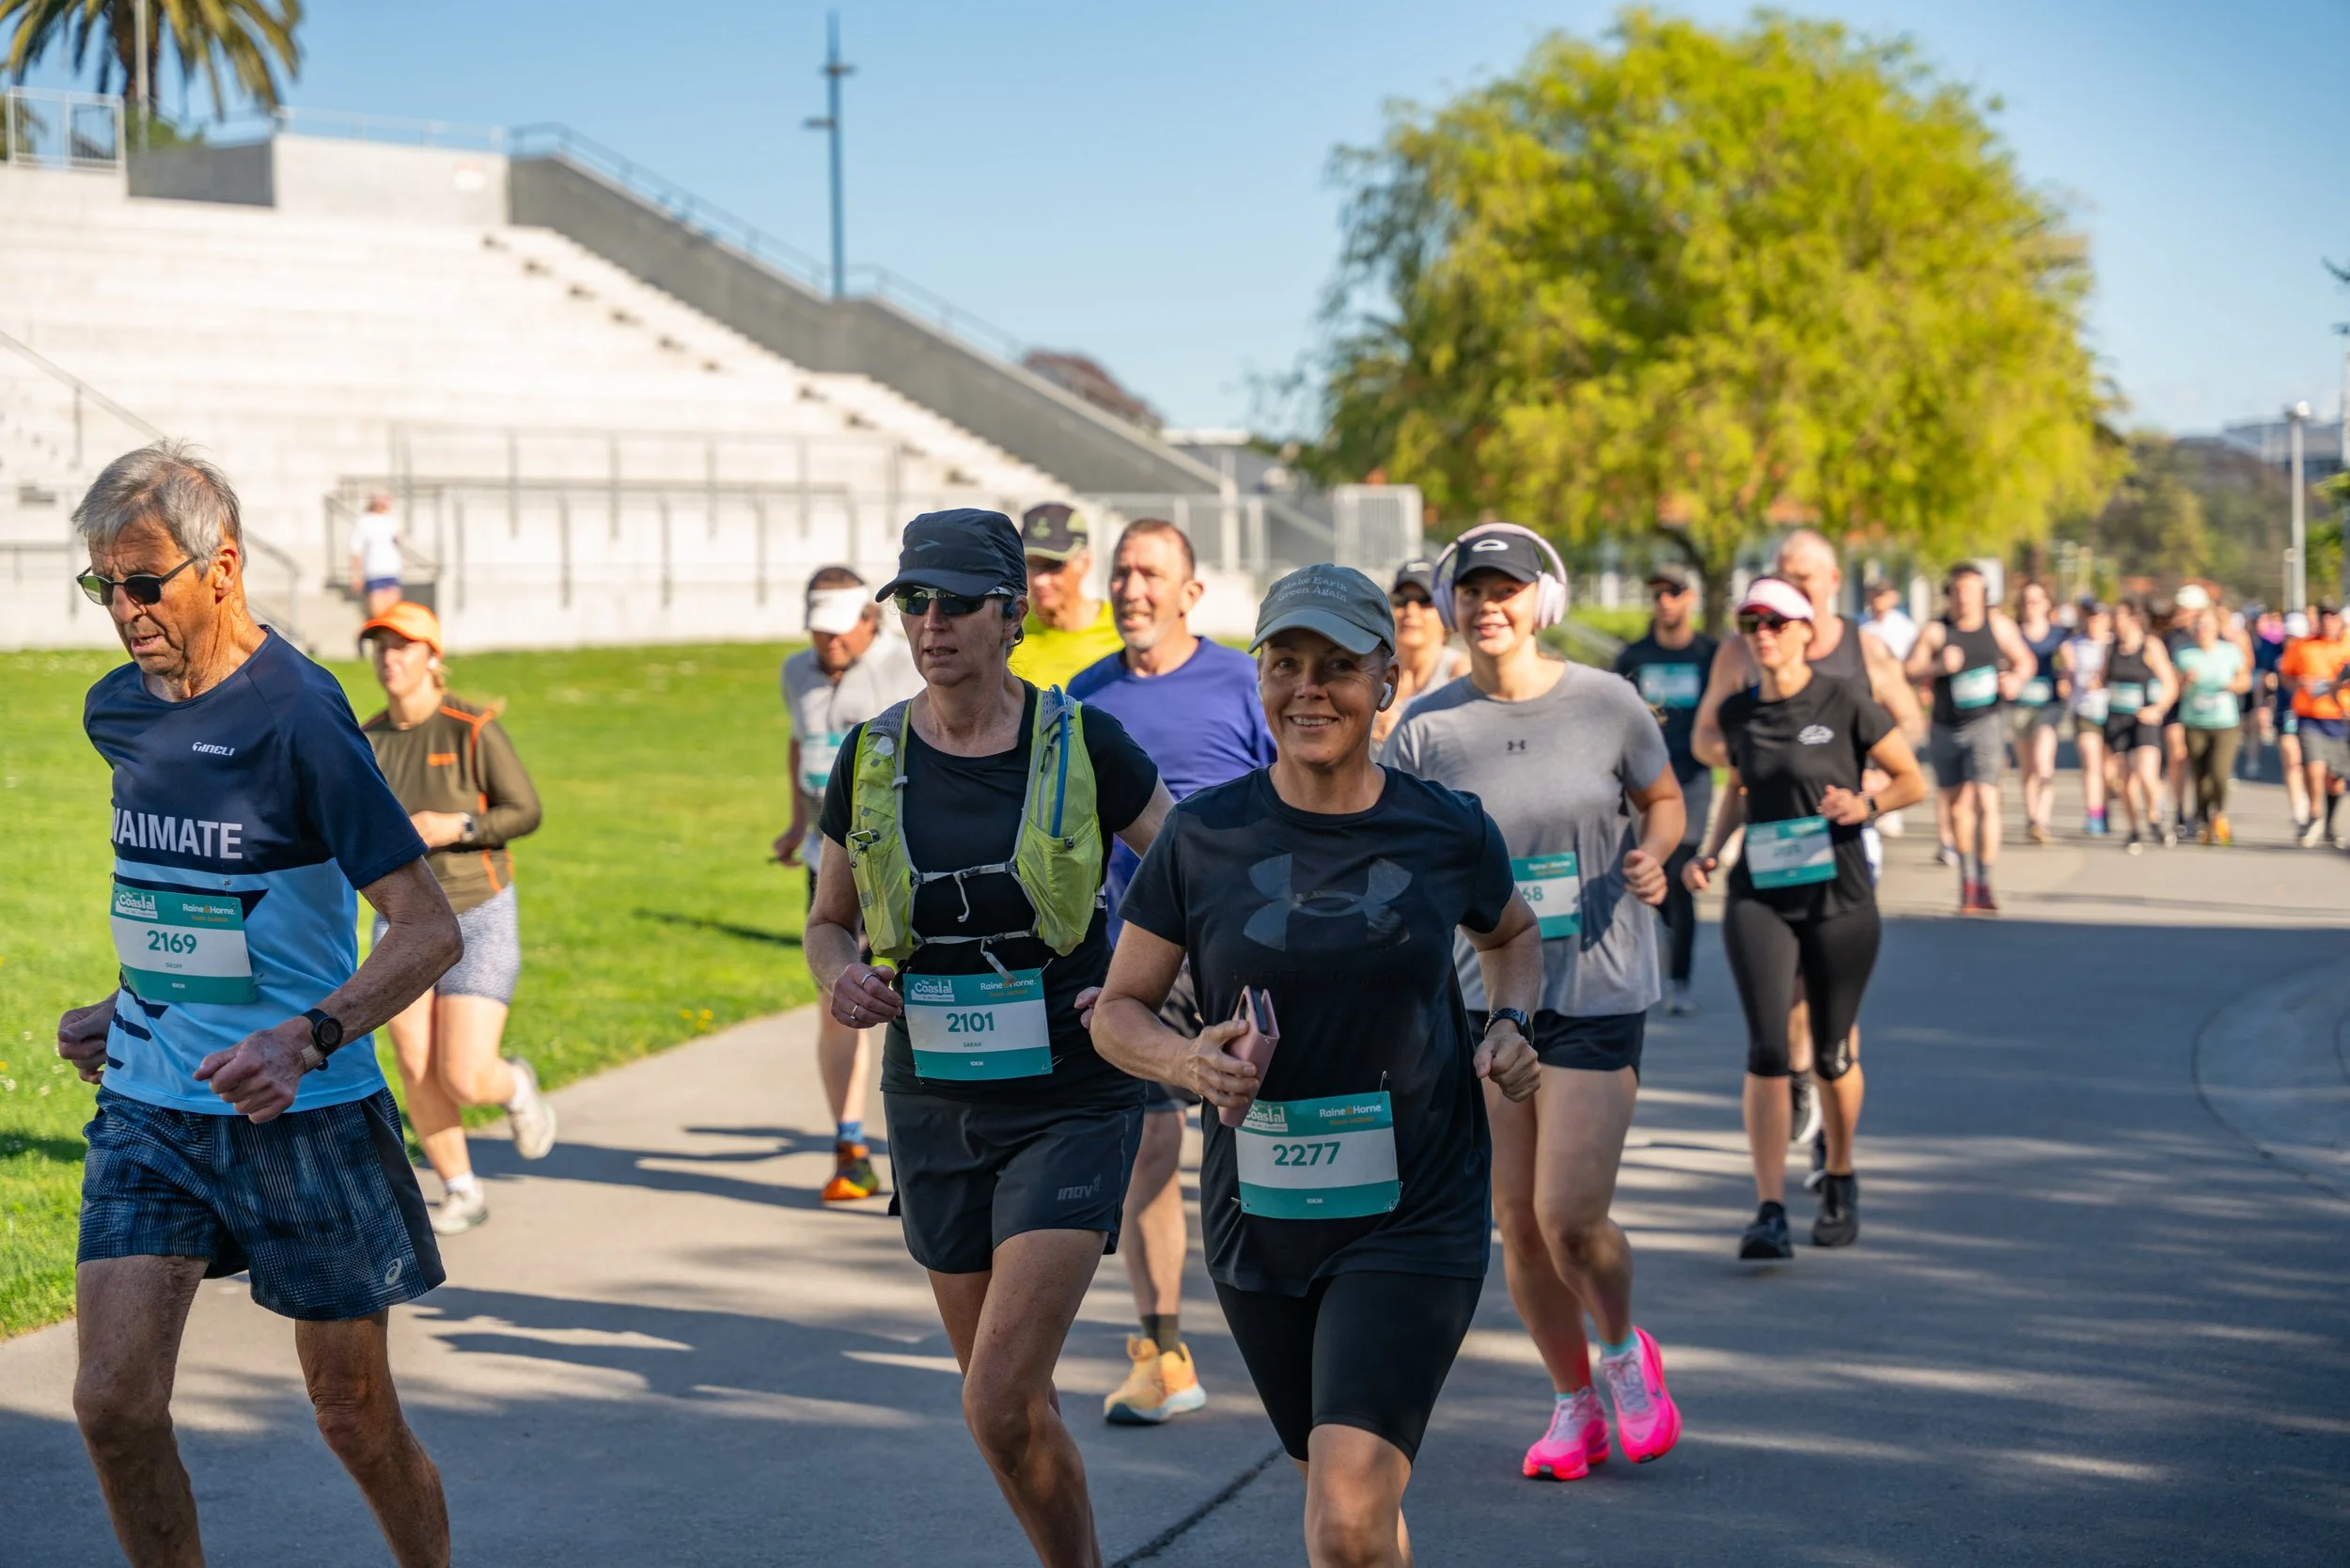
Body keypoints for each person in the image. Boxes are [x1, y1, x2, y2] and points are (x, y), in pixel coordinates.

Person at [55, 443, 461, 1567]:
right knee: (112, 1405)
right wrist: (126, 998)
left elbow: (428, 927)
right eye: (105, 586)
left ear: (221, 566)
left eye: (146, 583)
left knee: (352, 1417)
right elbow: (194, 894)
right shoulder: (117, 713)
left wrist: (307, 1034)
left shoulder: (301, 717)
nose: (125, 612)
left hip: (306, 1113)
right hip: (151, 1100)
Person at [1094, 563, 1546, 1568]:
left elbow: (1512, 935)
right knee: (1352, 1509)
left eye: (1338, 667)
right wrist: (1189, 1065)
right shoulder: (1204, 835)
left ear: (1386, 679)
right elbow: (1116, 1013)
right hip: (1260, 1222)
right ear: (1258, 677)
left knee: (1341, 1514)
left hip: (1414, 1214)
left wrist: (1512, 1023)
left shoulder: (1443, 830)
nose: (1309, 689)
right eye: (1285, 664)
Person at [804, 508, 1172, 1566]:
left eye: (956, 601)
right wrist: (841, 981)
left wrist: (1145, 990)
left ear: (1010, 613)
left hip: (1069, 1096)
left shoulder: (1082, 740)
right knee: (1006, 1414)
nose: (930, 623)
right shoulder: (868, 756)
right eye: (913, 601)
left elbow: (1188, 870)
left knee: (999, 1394)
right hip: (934, 1102)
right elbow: (827, 923)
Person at [1386, 525, 1687, 1482]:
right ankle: (1571, 1405)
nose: (1488, 606)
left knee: (1568, 1217)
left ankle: (1622, 1349)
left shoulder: (1607, 702)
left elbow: (1665, 796)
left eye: (1505, 588)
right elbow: (1391, 849)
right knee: (1513, 1220)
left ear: (1539, 598)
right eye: (1470, 590)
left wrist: (1654, 853)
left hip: (1596, 987)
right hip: (1485, 1002)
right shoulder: (1428, 729)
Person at [1067, 517, 1277, 1425]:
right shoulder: (1084, 698)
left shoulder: (1245, 684)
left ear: (1192, 592)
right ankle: (1164, 1354)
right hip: (1142, 955)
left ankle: (1318, 1320)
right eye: (1120, 572)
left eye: (1151, 573)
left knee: (1260, 1140)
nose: (1131, 589)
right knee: (1151, 1146)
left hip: (1252, 951)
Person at [1684, 577, 1925, 1258]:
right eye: (1751, 622)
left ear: (1805, 630)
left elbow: (1912, 778)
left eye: (1776, 622)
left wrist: (1867, 806)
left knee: (1830, 1050)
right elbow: (1739, 788)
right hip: (1760, 893)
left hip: (1839, 897)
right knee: (1766, 1050)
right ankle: (1768, 1209)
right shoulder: (1737, 712)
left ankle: (1840, 1174)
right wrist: (1709, 852)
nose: (1763, 634)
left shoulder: (1844, 700)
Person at [360, 601, 556, 1235]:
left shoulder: (469, 727)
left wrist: (458, 826)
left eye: (403, 647)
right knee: (415, 1064)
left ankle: (514, 1087)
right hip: (401, 919)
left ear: (432, 657)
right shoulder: (367, 739)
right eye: (380, 647)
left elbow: (524, 810)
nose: (390, 659)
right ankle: (461, 1189)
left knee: (465, 1074)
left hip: (478, 910)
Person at [775, 565, 923, 1201]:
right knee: (840, 1001)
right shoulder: (795, 672)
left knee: (907, 1006)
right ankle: (851, 1147)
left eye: (839, 632)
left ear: (870, 619)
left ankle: (918, 1154)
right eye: (818, 631)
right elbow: (800, 744)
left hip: (900, 868)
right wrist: (794, 822)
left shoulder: (902, 666)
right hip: (825, 860)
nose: (828, 643)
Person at [1615, 564, 1719, 1015]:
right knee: (1646, 872)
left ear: (1690, 597)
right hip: (1643, 782)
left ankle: (1680, 980)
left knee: (1681, 874)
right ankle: (1663, 934)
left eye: (1674, 592)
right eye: (1658, 593)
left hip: (1692, 779)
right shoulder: (1633, 656)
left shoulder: (1710, 655)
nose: (1666, 601)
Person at [1904, 564, 2035, 913]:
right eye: (1959, 591)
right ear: (1950, 594)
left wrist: (2016, 679)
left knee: (1986, 799)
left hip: (1986, 721)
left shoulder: (1998, 625)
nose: (1965, 598)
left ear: (1982, 593)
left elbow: (2025, 661)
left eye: (1972, 590)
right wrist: (1937, 668)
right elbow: (1908, 670)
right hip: (1947, 726)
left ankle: (1985, 880)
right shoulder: (1936, 631)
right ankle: (1968, 879)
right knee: (1958, 805)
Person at [1006, 502, 1124, 690]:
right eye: (1031, 564)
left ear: (1084, 562)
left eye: (1053, 565)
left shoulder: (1122, 632)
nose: (1040, 581)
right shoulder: (1008, 631)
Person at [2102, 597, 2179, 855]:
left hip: (2143, 718)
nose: (2115, 622)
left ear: (2134, 619)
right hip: (2117, 719)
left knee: (2147, 773)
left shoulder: (2150, 646)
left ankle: (2155, 817)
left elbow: (2170, 683)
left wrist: (2157, 709)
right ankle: (2134, 829)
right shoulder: (2110, 647)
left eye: (2120, 617)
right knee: (2123, 780)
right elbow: (2102, 678)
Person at [1371, 557, 1470, 745]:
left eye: (1425, 601)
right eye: (1401, 600)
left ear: (1448, 612)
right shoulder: (1374, 670)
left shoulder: (1458, 671)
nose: (1411, 611)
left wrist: (1403, 732)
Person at [2173, 605, 2250, 844]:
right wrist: (2186, 681)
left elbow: (2245, 680)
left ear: (2217, 627)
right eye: (2198, 626)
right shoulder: (2184, 654)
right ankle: (2202, 815)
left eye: (2206, 625)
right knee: (2200, 774)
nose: (2202, 630)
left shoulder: (2230, 652)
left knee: (2219, 772)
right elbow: (2173, 687)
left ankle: (2219, 813)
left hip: (2225, 721)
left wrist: (2233, 686)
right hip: (2194, 721)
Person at [2279, 604, 2350, 849]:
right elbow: (2285, 674)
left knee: (2336, 779)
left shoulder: (2347, 647)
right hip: (2310, 716)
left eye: (2333, 618)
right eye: (2324, 618)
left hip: (2340, 717)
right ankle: (2315, 815)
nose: (2328, 622)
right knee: (2314, 766)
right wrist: (2299, 684)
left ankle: (2330, 823)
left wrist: (2338, 686)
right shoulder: (2303, 646)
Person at [2009, 580, 2067, 844]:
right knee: (2027, 767)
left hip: (2049, 705)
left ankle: (2042, 817)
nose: (2030, 606)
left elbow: (2069, 664)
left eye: (2036, 600)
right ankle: (2032, 818)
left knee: (2044, 762)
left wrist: (2067, 675)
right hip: (2020, 706)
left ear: (2047, 604)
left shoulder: (2058, 635)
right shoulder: (2013, 634)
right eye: (2026, 601)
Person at [2059, 602, 2113, 835]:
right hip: (2084, 710)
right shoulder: (2072, 645)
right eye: (2091, 618)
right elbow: (2066, 674)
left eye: (2099, 618)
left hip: (2113, 711)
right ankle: (2094, 813)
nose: (2094, 623)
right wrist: (2065, 684)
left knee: (2109, 769)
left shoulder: (2115, 645)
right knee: (2091, 762)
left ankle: (2105, 806)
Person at [2276, 610, 2314, 834]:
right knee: (2292, 760)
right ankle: (2297, 806)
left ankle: (2311, 802)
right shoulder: (2276, 653)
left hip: (2310, 713)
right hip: (2285, 711)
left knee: (2309, 763)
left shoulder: (2309, 651)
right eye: (2290, 635)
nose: (2293, 640)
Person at [348, 492, 404, 617]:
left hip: (392, 569)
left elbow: (399, 540)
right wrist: (356, 575)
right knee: (378, 612)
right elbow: (356, 550)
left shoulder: (392, 519)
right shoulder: (365, 521)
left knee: (393, 612)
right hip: (374, 571)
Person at [1860, 578, 1919, 662]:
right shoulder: (1862, 624)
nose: (1877, 599)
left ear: (1893, 597)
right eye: (1874, 595)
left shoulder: (1904, 627)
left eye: (1881, 595)